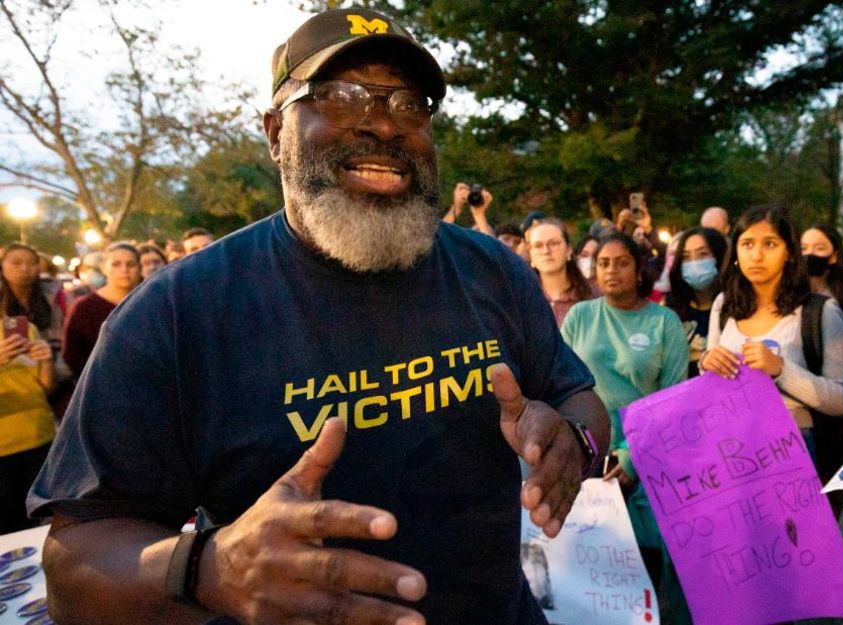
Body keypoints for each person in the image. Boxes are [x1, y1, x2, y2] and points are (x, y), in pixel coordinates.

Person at [29, 8, 609, 625]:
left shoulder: (493, 269)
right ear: (275, 131)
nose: (384, 125)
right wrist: (208, 568)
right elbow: (71, 571)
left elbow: (581, 402)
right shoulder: (175, 313)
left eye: (410, 105)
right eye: (339, 96)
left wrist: (577, 443)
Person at [560, 232, 690, 624]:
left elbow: (674, 401)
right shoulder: (581, 316)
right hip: (587, 456)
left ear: (639, 270)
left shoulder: (664, 322)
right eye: (603, 263)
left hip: (650, 462)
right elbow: (561, 383)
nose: (611, 270)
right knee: (597, 575)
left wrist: (633, 460)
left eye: (621, 262)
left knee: (648, 567)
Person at [701, 206, 843, 457]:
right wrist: (707, 363)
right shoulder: (724, 305)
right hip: (733, 445)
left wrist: (781, 369)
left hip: (794, 448)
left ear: (789, 253)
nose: (757, 255)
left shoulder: (819, 312)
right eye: (747, 244)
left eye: (770, 244)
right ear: (736, 252)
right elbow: (710, 385)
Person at [1, 243, 57, 533]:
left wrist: (46, 361)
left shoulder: (24, 328)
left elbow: (45, 388)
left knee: (42, 524)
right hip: (4, 448)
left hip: (39, 437)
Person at [62, 242, 142, 381]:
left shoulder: (149, 302)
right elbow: (72, 354)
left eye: (131, 264)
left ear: (139, 268)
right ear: (104, 268)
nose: (124, 270)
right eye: (116, 264)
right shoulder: (84, 308)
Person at [664, 227, 728, 378]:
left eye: (703, 254)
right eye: (686, 257)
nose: (694, 263)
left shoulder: (735, 306)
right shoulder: (672, 309)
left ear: (720, 257)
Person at [527, 219, 600, 327]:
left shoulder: (593, 297)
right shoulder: (521, 300)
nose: (546, 251)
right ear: (530, 255)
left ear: (569, 250)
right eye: (538, 246)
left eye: (554, 243)